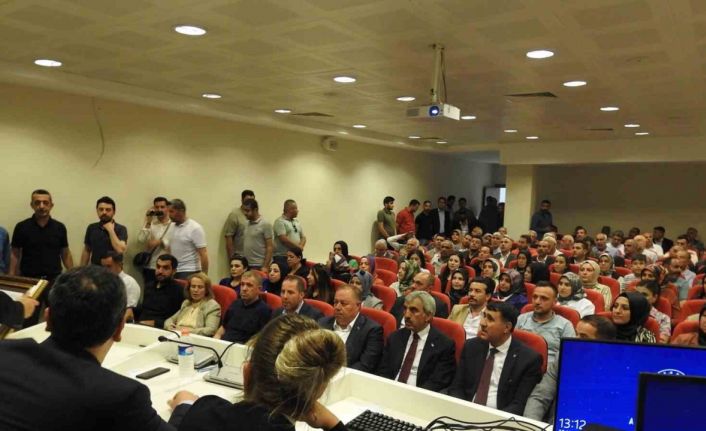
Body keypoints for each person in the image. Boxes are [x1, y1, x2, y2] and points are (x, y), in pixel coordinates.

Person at [0, 266, 189, 430]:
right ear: (119, 329)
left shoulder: (5, 353)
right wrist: (185, 406)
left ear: (48, 319)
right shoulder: (120, 396)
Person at [177, 314, 347, 431]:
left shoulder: (204, 412)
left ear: (247, 373)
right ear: (318, 389)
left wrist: (185, 404)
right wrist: (331, 422)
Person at [446, 301, 542, 414]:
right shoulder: (471, 346)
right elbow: (457, 387)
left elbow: (518, 404)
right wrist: (461, 411)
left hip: (500, 417)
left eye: (490, 319)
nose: (482, 323)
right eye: (484, 316)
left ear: (507, 327)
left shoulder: (528, 359)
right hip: (464, 411)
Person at [523, 315, 617, 423]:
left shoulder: (617, 371)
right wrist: (531, 424)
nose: (575, 339)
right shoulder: (563, 356)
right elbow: (540, 396)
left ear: (603, 344)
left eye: (583, 337)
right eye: (576, 334)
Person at [9, 189, 73, 324]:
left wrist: (73, 274)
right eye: (37, 203)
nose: (41, 206)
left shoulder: (59, 228)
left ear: (51, 205)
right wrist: (12, 276)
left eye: (45, 202)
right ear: (32, 205)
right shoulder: (22, 227)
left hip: (54, 280)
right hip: (29, 280)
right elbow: (15, 253)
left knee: (56, 318)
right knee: (28, 319)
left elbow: (65, 252)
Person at [377, 291, 456, 391]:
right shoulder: (395, 338)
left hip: (420, 395)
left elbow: (437, 382)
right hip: (389, 390)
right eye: (405, 309)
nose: (406, 315)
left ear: (428, 316)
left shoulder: (444, 345)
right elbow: (383, 372)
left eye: (414, 310)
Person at [318, 284, 384, 372]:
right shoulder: (322, 323)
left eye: (343, 303)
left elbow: (365, 365)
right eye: (335, 302)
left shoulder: (372, 330)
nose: (337, 307)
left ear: (358, 306)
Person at [516, 282, 576, 365]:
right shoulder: (522, 318)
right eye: (535, 297)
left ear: (554, 302)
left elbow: (569, 355)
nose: (537, 301)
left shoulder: (565, 325)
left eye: (544, 298)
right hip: (520, 364)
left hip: (548, 368)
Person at [215, 271, 271, 343]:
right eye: (242, 284)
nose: (244, 289)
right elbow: (223, 328)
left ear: (259, 289)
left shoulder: (264, 311)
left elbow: (259, 339)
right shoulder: (235, 304)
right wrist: (215, 341)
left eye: (249, 285)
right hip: (223, 344)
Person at [137, 254, 185, 328]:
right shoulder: (149, 286)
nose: (160, 271)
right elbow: (144, 310)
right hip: (140, 325)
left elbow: (177, 318)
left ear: (174, 271)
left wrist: (155, 323)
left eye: (165, 268)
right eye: (158, 267)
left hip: (161, 329)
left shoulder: (178, 291)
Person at [80, 196, 127, 266]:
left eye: (108, 210)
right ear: (97, 211)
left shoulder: (121, 229)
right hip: (95, 269)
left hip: (114, 270)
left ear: (114, 212)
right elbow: (87, 250)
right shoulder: (91, 228)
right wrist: (82, 269)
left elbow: (120, 250)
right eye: (101, 209)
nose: (104, 212)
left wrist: (111, 230)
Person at [167, 199, 208, 278]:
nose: (169, 215)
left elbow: (203, 254)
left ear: (181, 211)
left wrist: (204, 276)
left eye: (171, 211)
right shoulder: (171, 226)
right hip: (174, 270)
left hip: (190, 270)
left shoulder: (195, 228)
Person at [136, 196, 172, 285]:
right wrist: (148, 221)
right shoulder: (151, 224)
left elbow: (178, 244)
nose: (159, 209)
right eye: (157, 207)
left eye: (162, 207)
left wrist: (161, 242)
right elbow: (141, 240)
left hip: (168, 267)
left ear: (168, 208)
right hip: (151, 266)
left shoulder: (174, 225)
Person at [100, 251, 141, 322]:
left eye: (109, 266)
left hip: (119, 323)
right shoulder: (101, 281)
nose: (105, 270)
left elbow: (129, 313)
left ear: (119, 265)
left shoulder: (129, 282)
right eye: (103, 267)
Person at [272, 199, 306, 268]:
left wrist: (300, 247)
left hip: (295, 257)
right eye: (296, 208)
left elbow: (303, 237)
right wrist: (298, 248)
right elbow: (284, 240)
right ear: (290, 210)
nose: (298, 211)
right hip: (283, 257)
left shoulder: (296, 221)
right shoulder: (280, 222)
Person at [242, 198, 273, 271]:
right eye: (244, 210)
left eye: (247, 211)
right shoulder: (246, 223)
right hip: (247, 264)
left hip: (259, 265)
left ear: (255, 210)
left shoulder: (265, 224)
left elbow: (270, 247)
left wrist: (265, 266)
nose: (245, 213)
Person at [224, 189, 255, 260]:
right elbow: (229, 238)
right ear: (242, 200)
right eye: (247, 200)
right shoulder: (234, 215)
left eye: (252, 200)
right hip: (240, 256)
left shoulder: (255, 216)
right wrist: (232, 259)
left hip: (253, 257)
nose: (249, 203)